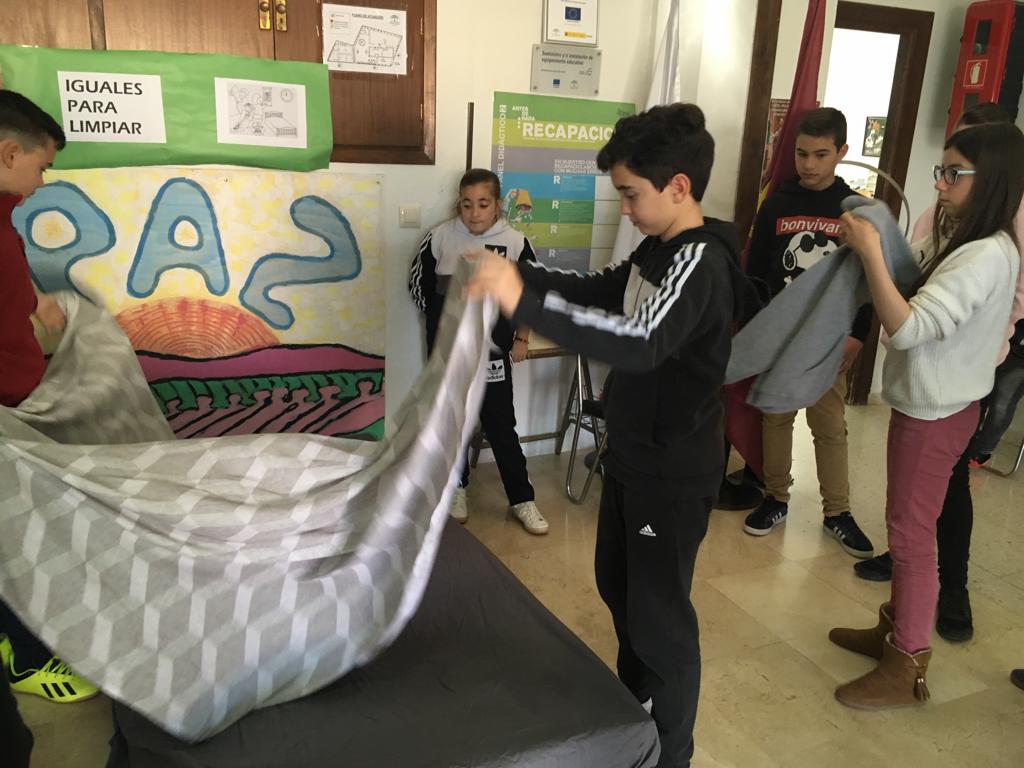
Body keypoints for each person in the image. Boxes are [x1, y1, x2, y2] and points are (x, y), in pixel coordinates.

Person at [465, 103, 748, 768]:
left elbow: (638, 340)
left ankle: (670, 753)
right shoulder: (657, 248)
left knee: (659, 617)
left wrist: (520, 302)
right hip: (632, 457)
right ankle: (634, 708)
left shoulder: (700, 262)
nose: (624, 209)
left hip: (671, 473)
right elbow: (602, 291)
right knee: (618, 587)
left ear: (678, 186)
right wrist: (519, 273)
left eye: (630, 194)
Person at [830, 121, 1024, 709]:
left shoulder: (985, 255)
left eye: (952, 172)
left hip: (937, 414)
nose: (939, 183)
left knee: (912, 536)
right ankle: (895, 630)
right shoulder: (966, 239)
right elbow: (913, 285)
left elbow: (909, 327)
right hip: (930, 406)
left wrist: (870, 252)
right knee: (906, 522)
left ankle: (908, 661)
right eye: (942, 170)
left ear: (990, 179)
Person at [0, 91, 99, 755]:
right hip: (5, 411)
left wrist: (35, 297)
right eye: (41, 167)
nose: (42, 183)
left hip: (20, 403)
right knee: (20, 536)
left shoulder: (2, 215)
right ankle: (31, 659)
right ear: (9, 152)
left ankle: (19, 640)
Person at [741, 107, 874, 558]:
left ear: (841, 152)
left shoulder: (854, 209)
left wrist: (858, 334)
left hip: (829, 341)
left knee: (829, 426)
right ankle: (775, 497)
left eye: (821, 154)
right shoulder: (777, 204)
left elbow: (867, 279)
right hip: (781, 335)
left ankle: (838, 511)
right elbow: (757, 273)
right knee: (776, 419)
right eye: (801, 154)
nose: (809, 164)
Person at [409, 168, 548, 534]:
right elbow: (419, 289)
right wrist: (443, 329)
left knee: (501, 425)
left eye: (483, 204)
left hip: (494, 355)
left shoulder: (515, 243)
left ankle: (522, 499)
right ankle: (457, 489)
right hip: (450, 356)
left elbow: (530, 297)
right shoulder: (440, 238)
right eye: (466, 204)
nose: (474, 212)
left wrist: (521, 339)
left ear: (497, 205)